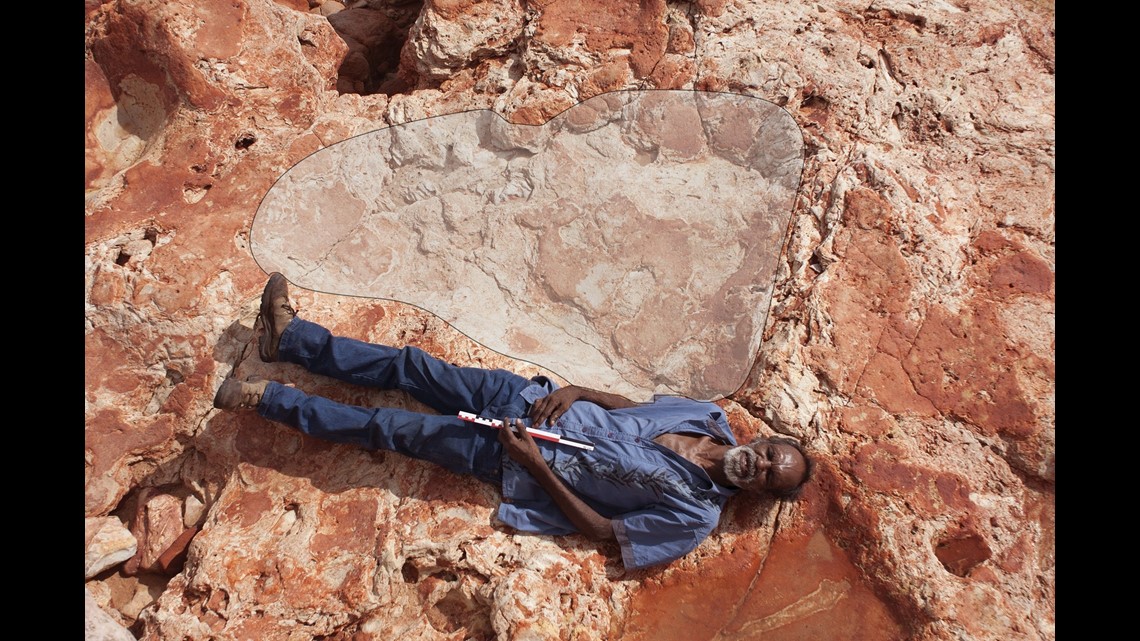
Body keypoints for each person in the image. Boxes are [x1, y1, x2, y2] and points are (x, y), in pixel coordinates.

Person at [214, 273, 814, 570]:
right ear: (764, 439)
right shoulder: (709, 417)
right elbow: (635, 410)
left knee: (390, 430)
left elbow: (606, 532)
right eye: (769, 455)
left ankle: (265, 400)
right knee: (410, 366)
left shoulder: (694, 519)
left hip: (513, 455)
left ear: (760, 493)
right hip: (527, 398)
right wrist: (577, 388)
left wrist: (534, 466)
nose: (758, 466)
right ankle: (292, 339)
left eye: (768, 478)